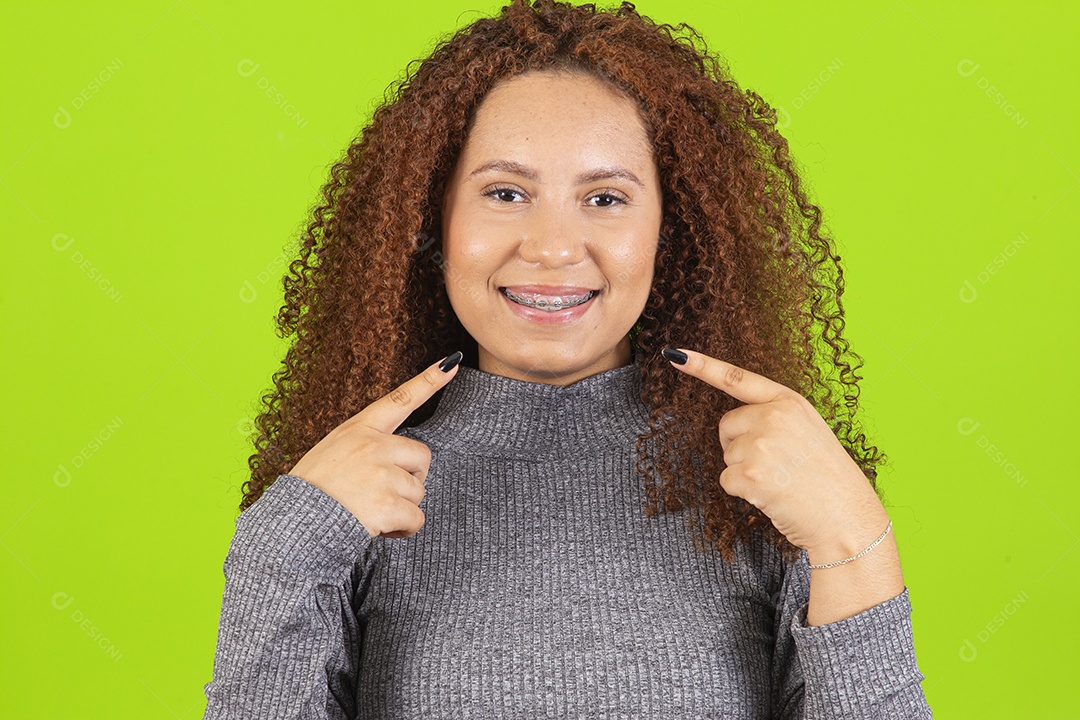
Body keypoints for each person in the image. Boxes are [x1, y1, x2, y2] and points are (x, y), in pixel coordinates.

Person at [202, 0, 933, 717]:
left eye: (607, 199)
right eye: (506, 192)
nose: (552, 247)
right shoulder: (351, 496)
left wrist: (852, 539)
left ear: (667, 233)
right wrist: (287, 541)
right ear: (435, 220)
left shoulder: (768, 488)